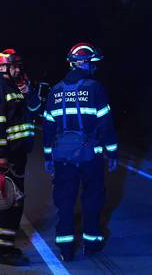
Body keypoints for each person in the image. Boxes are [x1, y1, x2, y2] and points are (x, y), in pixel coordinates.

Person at [43, 42, 119, 261]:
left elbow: (48, 129)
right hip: (91, 157)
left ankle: (66, 249)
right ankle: (91, 244)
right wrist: (112, 153)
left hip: (62, 158)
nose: (95, 68)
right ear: (84, 63)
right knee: (92, 200)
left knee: (65, 203)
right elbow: (106, 125)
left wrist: (48, 157)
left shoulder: (55, 91)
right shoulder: (95, 88)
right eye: (93, 63)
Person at [0, 49, 40, 266]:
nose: (19, 69)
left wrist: (29, 92)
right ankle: (4, 251)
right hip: (9, 157)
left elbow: (32, 111)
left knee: (7, 202)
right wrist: (0, 156)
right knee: (13, 203)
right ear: (3, 68)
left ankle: (0, 246)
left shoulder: (14, 88)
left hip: (18, 154)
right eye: (15, 66)